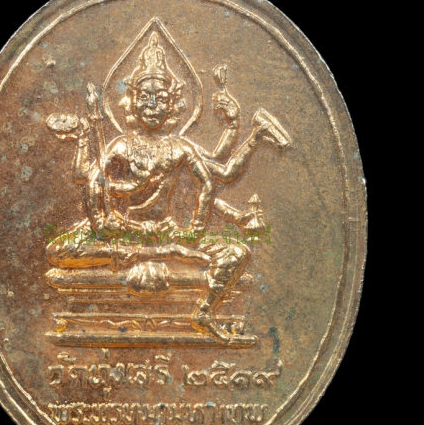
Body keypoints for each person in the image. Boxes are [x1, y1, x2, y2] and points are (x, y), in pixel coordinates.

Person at [46, 32, 269, 340]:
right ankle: (150, 253)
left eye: (161, 98)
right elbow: (92, 178)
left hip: (165, 231)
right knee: (57, 250)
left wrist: (194, 229)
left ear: (173, 104)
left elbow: (211, 182)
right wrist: (102, 218)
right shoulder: (121, 145)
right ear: (131, 102)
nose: (151, 105)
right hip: (123, 233)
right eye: (144, 97)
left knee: (237, 252)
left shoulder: (179, 147)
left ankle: (203, 312)